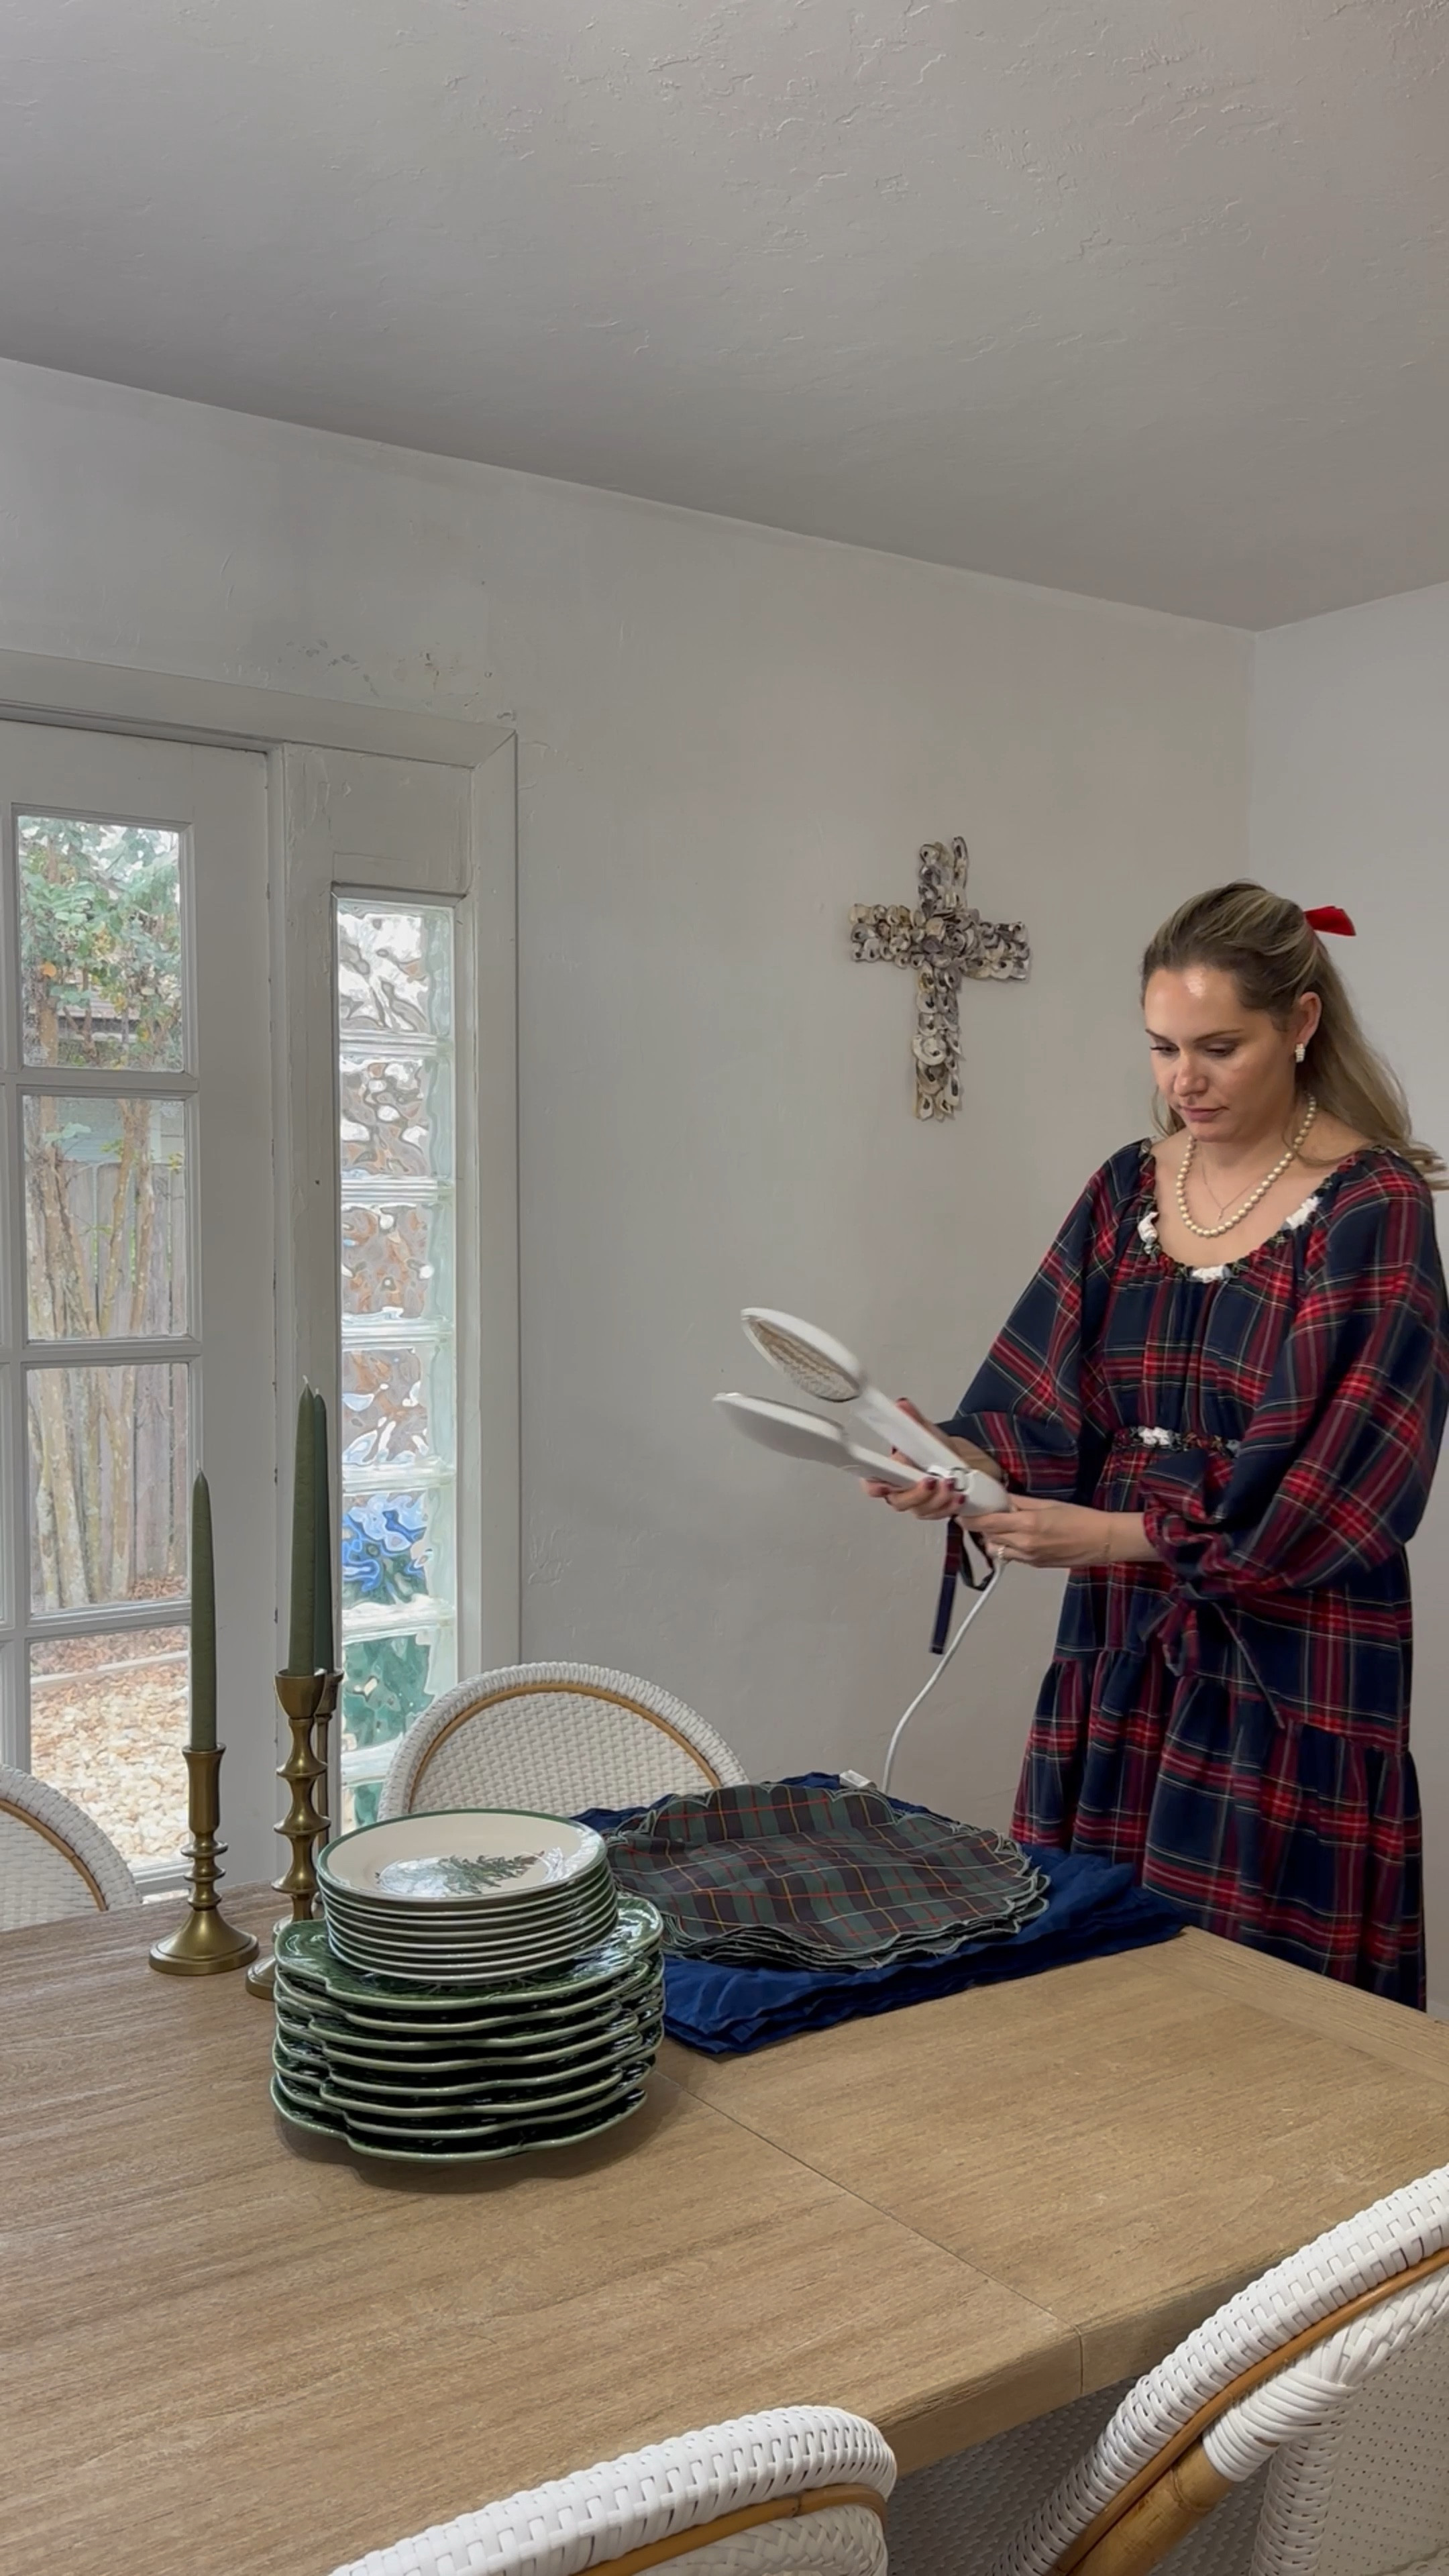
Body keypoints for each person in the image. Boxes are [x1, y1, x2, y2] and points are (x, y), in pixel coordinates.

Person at [867, 883, 1449, 2005]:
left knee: (1267, 2004)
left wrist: (1114, 1536)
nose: (1186, 1080)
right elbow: (1046, 1404)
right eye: (1164, 1047)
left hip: (1293, 1658)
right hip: (1123, 1640)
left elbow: (1342, 1484)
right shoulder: (1126, 1186)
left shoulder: (1370, 1205)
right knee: (1101, 1983)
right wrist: (953, 1464)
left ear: (1302, 1022)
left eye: (1220, 1048)